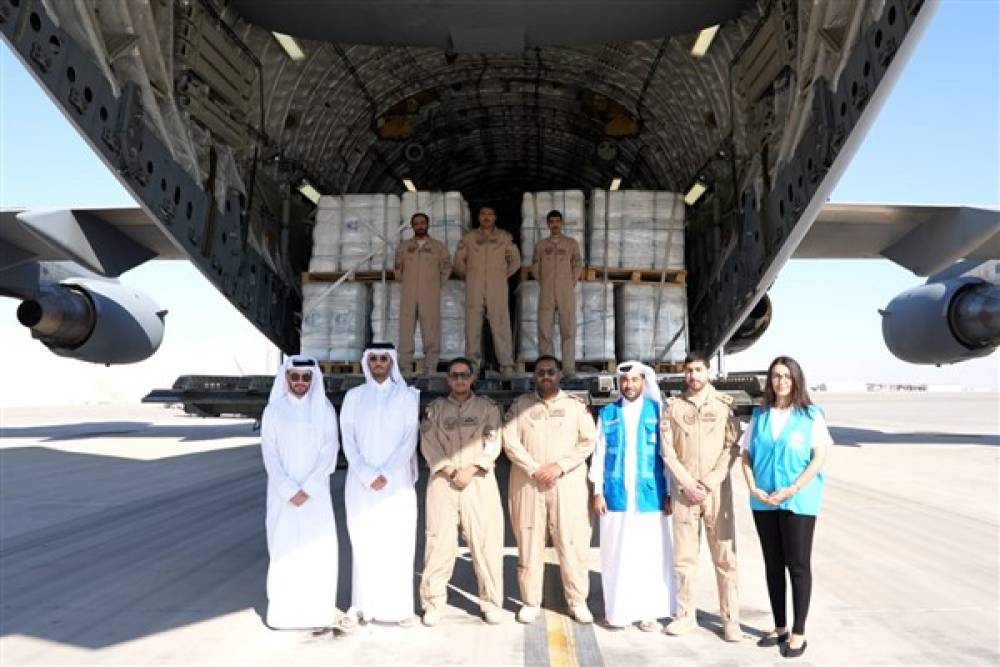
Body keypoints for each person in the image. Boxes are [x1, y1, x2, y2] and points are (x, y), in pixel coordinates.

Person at [740, 356, 831, 659]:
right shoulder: (760, 415)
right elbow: (746, 455)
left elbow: (818, 457)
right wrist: (753, 487)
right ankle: (779, 626)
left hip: (798, 500)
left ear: (796, 380)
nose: (780, 382)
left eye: (786, 376)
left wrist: (793, 488)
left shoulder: (810, 415)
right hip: (764, 500)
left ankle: (798, 631)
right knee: (773, 564)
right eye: (776, 376)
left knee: (798, 565)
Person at [502, 355, 597, 624]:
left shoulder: (575, 407)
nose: (545, 376)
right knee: (529, 541)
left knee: (572, 542)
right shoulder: (521, 405)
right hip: (529, 483)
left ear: (559, 375)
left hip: (566, 484)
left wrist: (559, 466)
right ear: (534, 376)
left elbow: (588, 441)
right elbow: (510, 441)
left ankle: (577, 602)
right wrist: (534, 468)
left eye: (550, 372)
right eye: (540, 372)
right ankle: (530, 601)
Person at [661, 352, 743, 642]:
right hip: (685, 493)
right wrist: (686, 483)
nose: (693, 376)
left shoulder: (723, 407)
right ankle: (685, 615)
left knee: (724, 557)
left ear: (708, 372)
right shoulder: (672, 407)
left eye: (698, 370)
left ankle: (731, 619)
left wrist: (707, 483)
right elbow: (667, 451)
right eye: (689, 371)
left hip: (716, 491)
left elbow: (731, 448)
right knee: (684, 559)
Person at [589, 361, 676, 631]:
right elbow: (599, 454)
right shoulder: (608, 413)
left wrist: (671, 492)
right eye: (624, 381)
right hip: (616, 496)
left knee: (650, 554)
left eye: (635, 380)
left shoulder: (657, 412)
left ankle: (649, 611)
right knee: (616, 554)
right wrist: (597, 492)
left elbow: (668, 455)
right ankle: (618, 612)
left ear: (644, 382)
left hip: (651, 495)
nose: (629, 386)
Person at [418, 357, 505, 626]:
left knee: (486, 543)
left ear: (472, 378)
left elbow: (493, 441)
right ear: (448, 380)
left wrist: (473, 468)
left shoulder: (487, 408)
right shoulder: (435, 410)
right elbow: (428, 443)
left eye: (464, 375)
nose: (459, 380)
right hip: (444, 483)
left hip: (478, 481)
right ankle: (433, 603)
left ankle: (491, 603)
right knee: (438, 543)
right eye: (454, 376)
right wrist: (450, 470)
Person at [260, 355, 344, 630]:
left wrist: (307, 488)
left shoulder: (325, 410)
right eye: (294, 377)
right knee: (283, 548)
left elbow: (329, 452)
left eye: (306, 377)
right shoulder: (274, 411)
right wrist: (287, 489)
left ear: (313, 379)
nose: (300, 382)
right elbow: (269, 454)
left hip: (315, 495)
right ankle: (283, 613)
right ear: (286, 378)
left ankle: (316, 611)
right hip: (281, 496)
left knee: (317, 550)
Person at [340, 342, 420, 626]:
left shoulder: (407, 397)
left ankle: (398, 610)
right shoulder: (354, 396)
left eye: (383, 359)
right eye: (373, 359)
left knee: (397, 542)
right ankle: (361, 606)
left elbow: (409, 439)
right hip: (361, 483)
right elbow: (347, 438)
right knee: (364, 539)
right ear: (366, 362)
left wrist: (385, 471)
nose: (378, 363)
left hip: (396, 483)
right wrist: (365, 472)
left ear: (392, 362)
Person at [453, 205, 520, 378]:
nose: (486, 217)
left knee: (501, 324)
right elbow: (459, 262)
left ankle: (506, 366)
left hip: (496, 287)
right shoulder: (469, 238)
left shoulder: (504, 238)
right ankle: (472, 367)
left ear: (495, 217)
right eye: (483, 214)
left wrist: (500, 276)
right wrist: (468, 276)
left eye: (490, 214)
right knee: (472, 326)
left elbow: (515, 262)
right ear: (479, 217)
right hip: (474, 286)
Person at [394, 212, 452, 375]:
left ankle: (430, 368)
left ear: (427, 224)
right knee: (405, 331)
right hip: (408, 294)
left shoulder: (438, 247)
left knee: (431, 330)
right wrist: (406, 282)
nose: (420, 226)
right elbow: (398, 268)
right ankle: (405, 368)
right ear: (412, 226)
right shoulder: (404, 246)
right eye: (416, 223)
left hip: (430, 294)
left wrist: (435, 284)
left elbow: (446, 267)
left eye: (422, 223)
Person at [531, 209, 583, 377]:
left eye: (557, 221)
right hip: (546, 291)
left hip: (565, 291)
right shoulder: (541, 246)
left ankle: (568, 368)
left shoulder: (571, 244)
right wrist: (544, 282)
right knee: (545, 330)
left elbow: (577, 264)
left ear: (561, 223)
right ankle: (548, 369)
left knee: (568, 329)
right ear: (547, 224)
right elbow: (535, 267)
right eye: (551, 222)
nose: (554, 225)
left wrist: (570, 282)